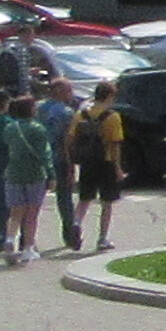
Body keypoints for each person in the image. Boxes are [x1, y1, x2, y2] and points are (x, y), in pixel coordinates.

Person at [0, 89, 57, 264]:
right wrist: (51, 175)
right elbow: (45, 154)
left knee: (10, 211)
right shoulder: (36, 129)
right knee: (31, 213)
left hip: (9, 172)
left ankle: (8, 240)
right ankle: (27, 247)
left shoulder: (8, 128)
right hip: (33, 173)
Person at [60, 80, 128, 252]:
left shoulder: (81, 114)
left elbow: (70, 138)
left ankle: (76, 224)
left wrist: (72, 160)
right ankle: (102, 238)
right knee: (107, 202)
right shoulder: (112, 116)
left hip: (87, 162)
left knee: (84, 199)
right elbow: (115, 144)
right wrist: (118, 168)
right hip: (106, 162)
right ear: (109, 96)